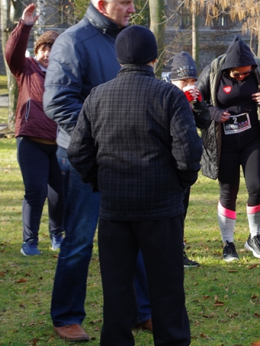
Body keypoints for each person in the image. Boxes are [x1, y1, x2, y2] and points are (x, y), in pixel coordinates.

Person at [68, 25, 201, 345]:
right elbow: (189, 152)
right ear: (154, 58)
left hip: (116, 209)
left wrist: (100, 181)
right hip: (161, 208)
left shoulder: (97, 96)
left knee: (116, 287)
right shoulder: (168, 95)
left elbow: (78, 151)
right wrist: (178, 185)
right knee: (167, 286)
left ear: (118, 59)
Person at [44, 0, 152, 342]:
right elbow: (58, 102)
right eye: (126, 3)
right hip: (83, 160)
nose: (132, 9)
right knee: (79, 238)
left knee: (134, 232)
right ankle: (67, 315)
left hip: (124, 158)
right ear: (103, 4)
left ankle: (142, 310)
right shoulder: (73, 42)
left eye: (132, 2)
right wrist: (96, 141)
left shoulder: (125, 41)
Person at [197, 35, 260, 261]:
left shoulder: (258, 69)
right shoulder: (213, 71)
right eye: (238, 74)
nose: (243, 76)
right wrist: (216, 113)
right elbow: (196, 102)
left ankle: (254, 237)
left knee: (257, 187)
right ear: (228, 69)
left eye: (246, 73)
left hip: (251, 140)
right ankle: (228, 243)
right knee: (229, 192)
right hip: (224, 143)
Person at [5, 3, 64, 256]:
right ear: (37, 50)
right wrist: (25, 25)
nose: (47, 53)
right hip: (30, 140)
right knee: (36, 190)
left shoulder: (65, 75)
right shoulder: (26, 69)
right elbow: (11, 53)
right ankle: (29, 241)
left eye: (53, 48)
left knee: (60, 194)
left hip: (60, 143)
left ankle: (56, 235)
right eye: (43, 48)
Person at [168, 51, 212, 268]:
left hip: (185, 162)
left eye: (193, 81)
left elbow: (203, 124)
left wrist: (200, 105)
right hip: (165, 163)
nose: (189, 85)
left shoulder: (193, 97)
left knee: (181, 209)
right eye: (184, 81)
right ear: (172, 79)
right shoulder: (163, 94)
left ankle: (177, 253)